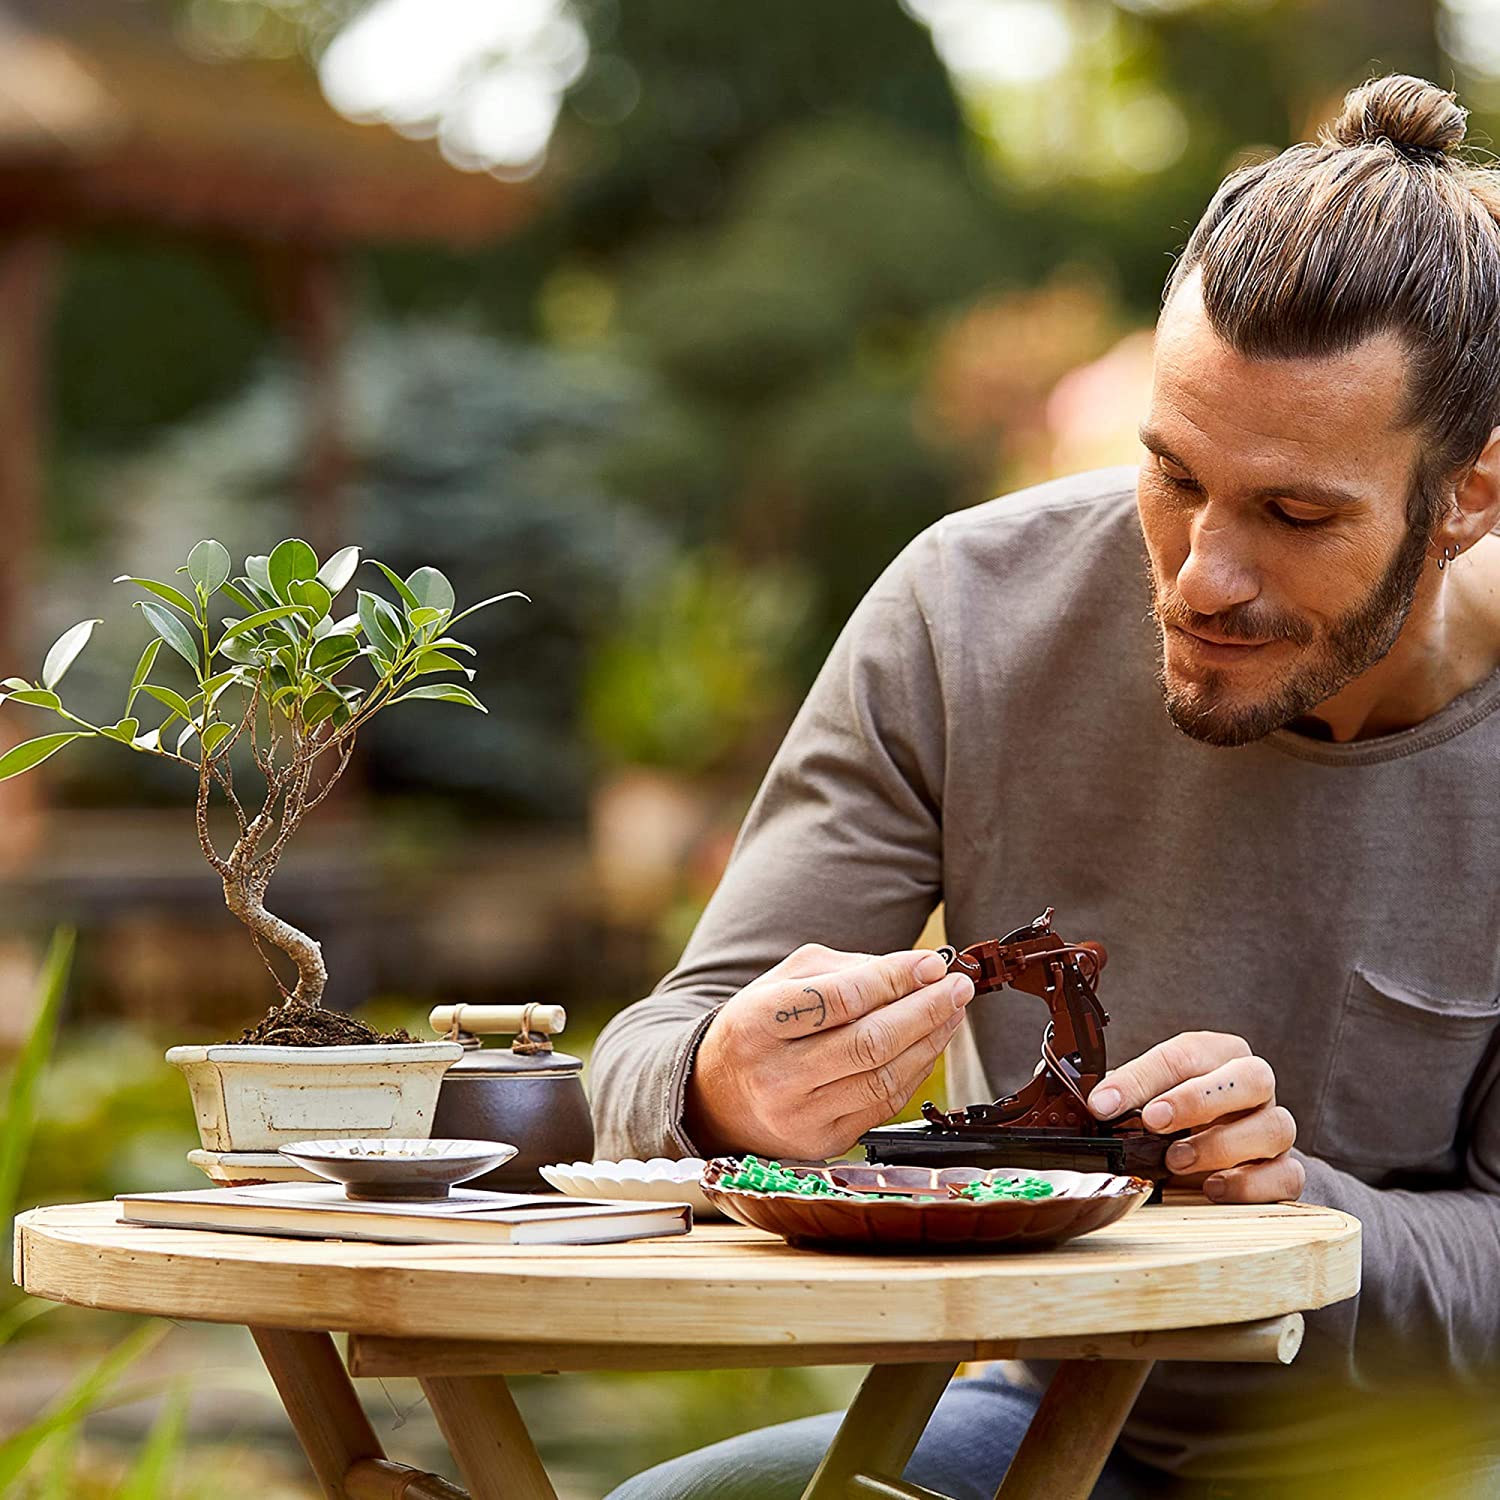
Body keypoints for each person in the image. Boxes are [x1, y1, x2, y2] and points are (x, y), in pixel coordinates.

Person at [591, 73, 1500, 1499]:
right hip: (1056, 1431)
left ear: (1468, 499)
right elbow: (647, 1059)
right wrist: (720, 1097)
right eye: (1173, 475)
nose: (1202, 575)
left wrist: (1293, 1212)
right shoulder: (967, 612)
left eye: (1297, 513)